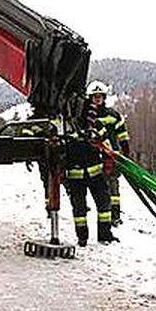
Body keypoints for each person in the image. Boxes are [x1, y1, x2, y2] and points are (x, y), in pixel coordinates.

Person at [64, 91, 115, 247]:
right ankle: (82, 238)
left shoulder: (97, 126)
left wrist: (108, 163)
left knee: (104, 205)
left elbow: (107, 147)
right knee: (80, 210)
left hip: (95, 173)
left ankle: (104, 235)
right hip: (75, 176)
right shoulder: (65, 128)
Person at [86, 81, 131, 224]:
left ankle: (115, 215)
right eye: (94, 96)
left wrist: (125, 152)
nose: (97, 98)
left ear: (104, 97)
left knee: (113, 186)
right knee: (99, 187)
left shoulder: (113, 115)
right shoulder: (87, 117)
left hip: (111, 155)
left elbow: (122, 134)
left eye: (100, 96)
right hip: (92, 157)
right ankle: (102, 213)